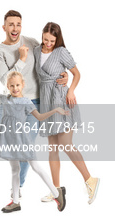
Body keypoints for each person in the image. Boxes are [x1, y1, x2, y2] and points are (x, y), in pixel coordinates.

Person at [0, 10, 69, 200]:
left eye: (18, 24)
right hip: (9, 104)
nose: (15, 28)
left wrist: (64, 74)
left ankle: (17, 188)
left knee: (25, 147)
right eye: (11, 24)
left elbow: (50, 57)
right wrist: (22, 59)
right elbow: (5, 80)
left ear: (21, 26)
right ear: (4, 27)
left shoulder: (32, 42)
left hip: (33, 102)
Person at [0, 66, 67, 213]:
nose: (15, 88)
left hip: (22, 140)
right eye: (11, 85)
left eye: (17, 85)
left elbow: (39, 117)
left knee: (35, 167)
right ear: (7, 87)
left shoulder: (26, 102)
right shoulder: (5, 100)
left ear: (23, 85)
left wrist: (55, 110)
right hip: (9, 140)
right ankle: (15, 202)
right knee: (14, 170)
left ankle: (56, 193)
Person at [35, 22, 99, 204]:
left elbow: (77, 74)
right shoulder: (35, 51)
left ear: (57, 39)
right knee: (52, 148)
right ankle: (56, 190)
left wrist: (71, 89)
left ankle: (90, 180)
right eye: (45, 39)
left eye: (52, 41)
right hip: (46, 104)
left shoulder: (61, 51)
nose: (48, 43)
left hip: (62, 100)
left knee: (65, 143)